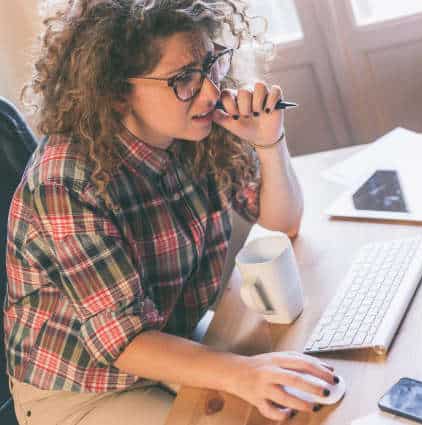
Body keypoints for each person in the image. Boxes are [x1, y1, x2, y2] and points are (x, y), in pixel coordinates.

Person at [3, 1, 338, 424]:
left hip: (167, 340)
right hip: (81, 387)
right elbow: (125, 341)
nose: (211, 92)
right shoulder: (65, 184)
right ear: (116, 92)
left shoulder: (194, 128)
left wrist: (269, 143)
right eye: (183, 79)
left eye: (211, 64)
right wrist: (244, 373)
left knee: (297, 394)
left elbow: (281, 224)